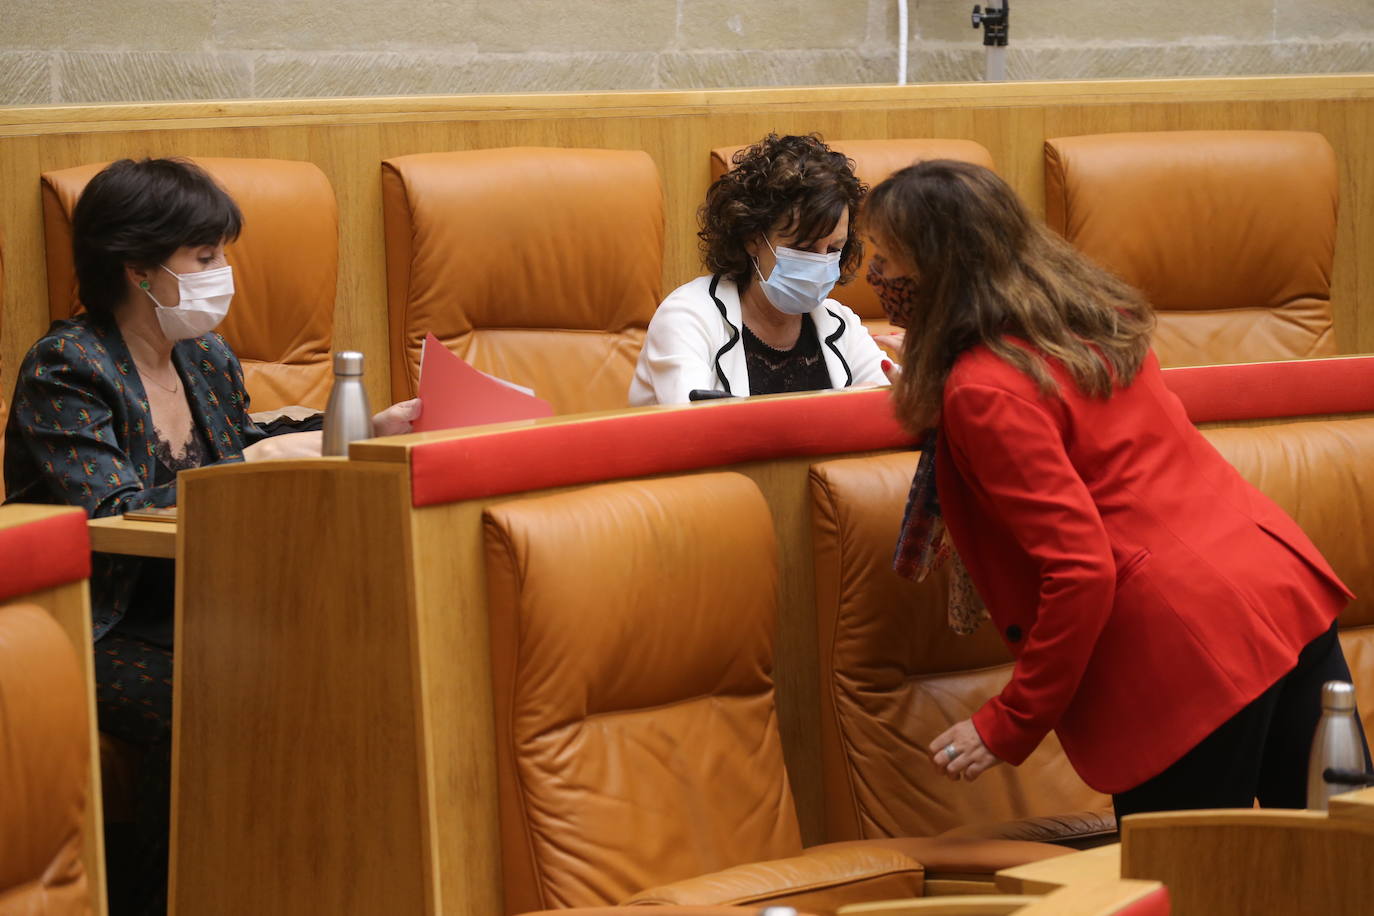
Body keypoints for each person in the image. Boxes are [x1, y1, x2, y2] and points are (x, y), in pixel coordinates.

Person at [861, 158, 1368, 818]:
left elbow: (1080, 570)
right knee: (1336, 869)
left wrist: (1010, 721)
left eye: (884, 258)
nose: (872, 277)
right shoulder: (1087, 322)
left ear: (938, 268)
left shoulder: (984, 389)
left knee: (1192, 888)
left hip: (1187, 652)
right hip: (1281, 595)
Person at [3, 157, 418, 915]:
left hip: (200, 604)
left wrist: (357, 430)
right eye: (205, 258)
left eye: (222, 254)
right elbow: (109, 515)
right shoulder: (67, 366)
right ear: (137, 269)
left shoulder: (205, 356)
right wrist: (248, 464)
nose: (223, 274)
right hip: (91, 623)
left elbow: (249, 437)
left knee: (345, 664)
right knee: (198, 698)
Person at [629, 133, 888, 405]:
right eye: (804, 248)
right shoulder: (687, 317)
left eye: (834, 249)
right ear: (753, 238)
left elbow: (893, 410)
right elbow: (697, 431)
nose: (821, 263)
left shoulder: (839, 322)